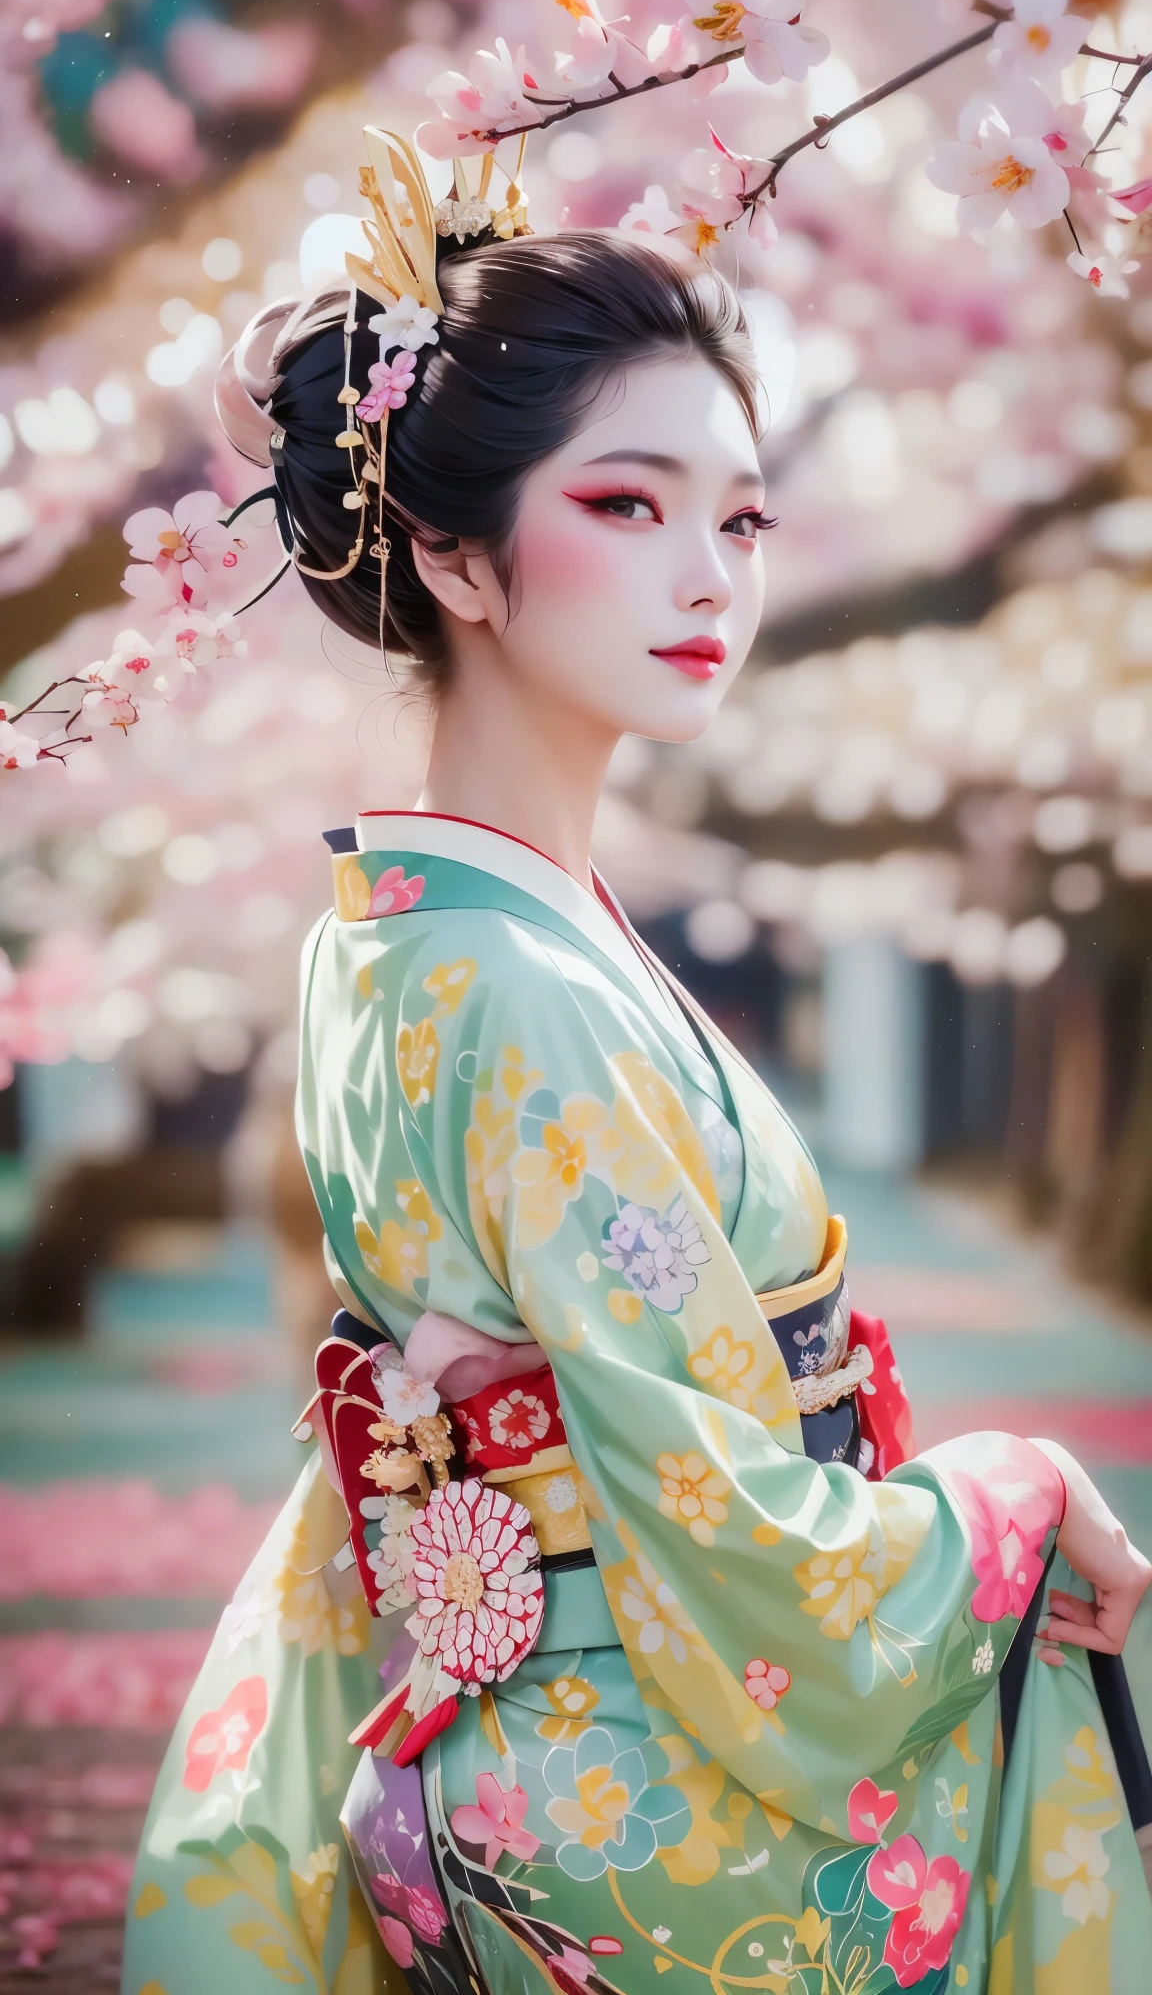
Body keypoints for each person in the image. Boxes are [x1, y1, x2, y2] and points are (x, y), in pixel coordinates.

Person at [124, 135, 1152, 1995]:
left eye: (743, 520)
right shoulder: (523, 993)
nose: (710, 576)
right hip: (641, 1799)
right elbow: (731, 1529)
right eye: (627, 505)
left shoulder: (411, 931)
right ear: (452, 554)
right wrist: (1009, 1494)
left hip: (503, 1748)